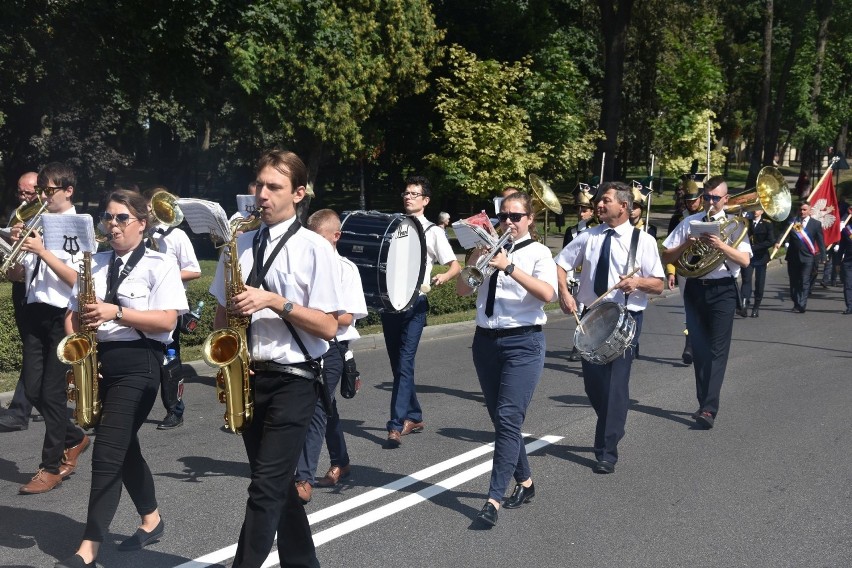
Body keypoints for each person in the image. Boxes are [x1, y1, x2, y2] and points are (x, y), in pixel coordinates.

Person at [209, 149, 340, 568]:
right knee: (277, 486)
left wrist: (275, 302)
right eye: (259, 185)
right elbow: (221, 308)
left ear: (298, 193)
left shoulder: (315, 249)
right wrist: (223, 339)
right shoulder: (239, 244)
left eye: (273, 187)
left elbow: (329, 326)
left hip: (295, 378)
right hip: (248, 375)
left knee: (264, 488)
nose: (261, 195)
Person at [55, 188, 188, 568]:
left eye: (120, 218)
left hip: (140, 362)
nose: (111, 225)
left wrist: (117, 313)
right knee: (124, 444)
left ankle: (88, 549)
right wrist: (78, 344)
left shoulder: (159, 264)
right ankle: (152, 518)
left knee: (108, 450)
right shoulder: (92, 263)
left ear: (142, 224)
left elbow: (167, 320)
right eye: (107, 217)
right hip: (98, 362)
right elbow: (72, 313)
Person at [456, 191, 557, 527]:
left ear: (529, 219)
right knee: (503, 421)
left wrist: (509, 267)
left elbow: (547, 294)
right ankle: (525, 483)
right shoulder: (489, 250)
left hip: (523, 343)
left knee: (509, 417)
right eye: (504, 216)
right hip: (485, 342)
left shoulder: (539, 252)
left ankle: (493, 499)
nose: (508, 222)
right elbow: (462, 290)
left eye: (516, 216)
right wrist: (476, 259)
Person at [556, 182, 664, 474]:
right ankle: (613, 421)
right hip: (592, 315)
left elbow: (659, 284)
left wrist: (638, 282)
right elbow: (561, 264)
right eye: (598, 201)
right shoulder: (588, 237)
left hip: (626, 317)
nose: (598, 206)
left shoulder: (643, 241)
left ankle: (606, 450)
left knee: (616, 383)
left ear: (624, 206)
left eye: (605, 201)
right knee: (594, 385)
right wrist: (565, 293)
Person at [5, 163, 89, 496]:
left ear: (68, 191)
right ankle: (74, 437)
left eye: (49, 190)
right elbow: (23, 274)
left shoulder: (79, 226)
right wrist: (14, 259)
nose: (42, 195)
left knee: (52, 392)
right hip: (34, 312)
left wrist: (42, 250)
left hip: (63, 315)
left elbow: (79, 280)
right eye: (41, 188)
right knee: (33, 390)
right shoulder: (35, 221)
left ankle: (50, 467)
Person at [662, 175, 752, 430]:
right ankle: (704, 402)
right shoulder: (690, 222)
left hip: (723, 289)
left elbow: (745, 261)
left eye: (716, 198)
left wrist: (721, 245)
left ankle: (710, 409)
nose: (711, 202)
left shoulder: (735, 225)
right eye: (708, 197)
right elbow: (667, 254)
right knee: (700, 349)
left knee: (717, 350)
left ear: (725, 199)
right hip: (694, 288)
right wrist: (686, 244)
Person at [294, 208, 367, 505]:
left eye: (320, 239)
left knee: (316, 410)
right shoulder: (300, 264)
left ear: (336, 237)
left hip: (333, 346)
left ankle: (303, 478)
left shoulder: (345, 268)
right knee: (326, 405)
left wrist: (312, 317)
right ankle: (341, 459)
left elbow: (347, 317)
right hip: (301, 344)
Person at [381, 176, 460, 448]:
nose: (408, 197)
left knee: (404, 363)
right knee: (398, 365)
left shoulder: (433, 232)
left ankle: (395, 425)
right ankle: (414, 415)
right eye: (406, 193)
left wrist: (443, 278)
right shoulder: (394, 226)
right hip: (390, 305)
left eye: (415, 194)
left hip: (416, 305)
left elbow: (454, 265)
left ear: (425, 201)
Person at [143, 186, 202, 430]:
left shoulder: (177, 236)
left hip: (168, 307)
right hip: (141, 306)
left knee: (169, 361)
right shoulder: (142, 233)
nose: (152, 210)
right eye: (151, 205)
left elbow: (195, 270)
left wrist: (166, 275)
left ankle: (174, 410)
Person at [0, 171, 40, 432]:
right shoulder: (19, 212)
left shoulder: (46, 215)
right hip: (20, 285)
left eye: (28, 193)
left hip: (39, 287)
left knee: (34, 350)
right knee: (32, 347)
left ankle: (20, 409)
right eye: (20, 191)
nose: (23, 197)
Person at [665, 183, 703, 363]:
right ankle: (689, 345)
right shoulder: (678, 219)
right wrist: (671, 271)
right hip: (685, 268)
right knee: (689, 307)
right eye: (688, 201)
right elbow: (671, 247)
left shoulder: (707, 216)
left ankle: (700, 343)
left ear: (701, 199)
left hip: (706, 267)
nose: (691, 204)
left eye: (694, 200)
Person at [560, 187, 597, 361]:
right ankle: (582, 342)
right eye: (579, 209)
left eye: (585, 210)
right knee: (577, 310)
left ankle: (580, 345)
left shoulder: (597, 229)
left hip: (589, 276)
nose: (581, 213)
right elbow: (564, 256)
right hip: (574, 275)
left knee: (586, 310)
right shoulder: (572, 231)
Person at [773, 203, 825, 313]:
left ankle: (802, 304)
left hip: (808, 258)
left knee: (804, 281)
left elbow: (820, 241)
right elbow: (784, 233)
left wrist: (823, 256)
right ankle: (796, 302)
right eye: (800, 209)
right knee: (794, 282)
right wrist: (778, 242)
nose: (802, 212)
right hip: (793, 257)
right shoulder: (794, 222)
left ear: (810, 211)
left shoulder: (816, 224)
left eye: (805, 209)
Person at [740, 208, 775, 317]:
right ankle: (744, 305)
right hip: (748, 257)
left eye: (758, 209)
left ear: (762, 211)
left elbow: (770, 241)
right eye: (754, 208)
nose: (755, 211)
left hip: (761, 257)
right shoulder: (746, 222)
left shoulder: (767, 224)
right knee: (746, 280)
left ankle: (756, 307)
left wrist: (754, 247)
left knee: (759, 283)